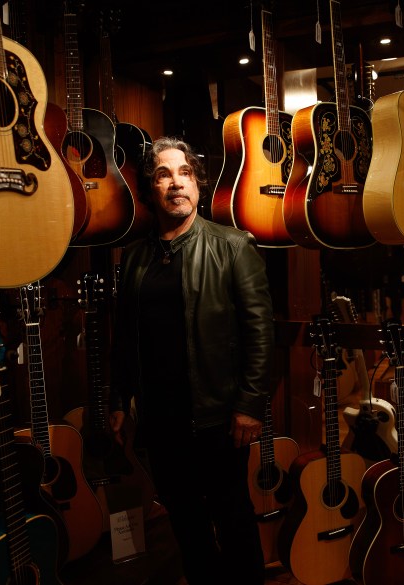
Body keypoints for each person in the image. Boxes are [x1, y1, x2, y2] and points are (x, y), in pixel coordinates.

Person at [108, 137, 275, 585]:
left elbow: (261, 332)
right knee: (186, 522)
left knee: (233, 518)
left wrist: (250, 405)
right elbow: (125, 334)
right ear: (150, 189)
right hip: (161, 420)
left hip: (218, 416)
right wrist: (118, 398)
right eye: (163, 175)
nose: (175, 183)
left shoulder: (234, 246)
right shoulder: (137, 256)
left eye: (184, 173)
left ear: (198, 185)